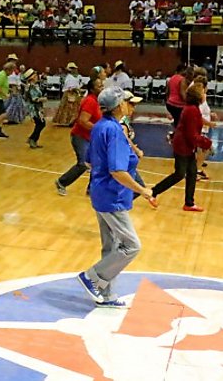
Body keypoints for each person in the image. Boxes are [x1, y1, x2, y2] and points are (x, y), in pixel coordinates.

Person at [77, 87, 157, 308]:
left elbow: (89, 161)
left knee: (111, 246)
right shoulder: (113, 131)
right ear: (119, 105)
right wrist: (142, 190)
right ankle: (92, 277)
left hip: (101, 193)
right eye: (129, 103)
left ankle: (107, 294)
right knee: (131, 245)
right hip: (112, 197)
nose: (132, 106)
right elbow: (117, 170)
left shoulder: (100, 127)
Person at [150, 83, 212, 211]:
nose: (205, 94)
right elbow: (192, 135)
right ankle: (152, 192)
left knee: (192, 172)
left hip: (186, 145)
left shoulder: (192, 108)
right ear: (198, 96)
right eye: (203, 92)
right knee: (179, 174)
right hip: (183, 146)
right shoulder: (191, 110)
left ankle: (189, 203)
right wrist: (207, 143)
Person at [55, 79, 104, 196]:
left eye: (102, 85)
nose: (102, 87)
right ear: (92, 89)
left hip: (91, 138)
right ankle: (62, 182)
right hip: (80, 136)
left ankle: (91, 189)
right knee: (83, 164)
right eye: (99, 86)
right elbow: (82, 121)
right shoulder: (90, 101)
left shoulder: (98, 101)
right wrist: (99, 129)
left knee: (97, 163)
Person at [52, 62, 83, 126]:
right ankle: (68, 121)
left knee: (73, 108)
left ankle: (72, 121)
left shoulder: (76, 77)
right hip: (69, 94)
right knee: (68, 108)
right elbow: (69, 87)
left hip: (75, 94)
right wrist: (75, 89)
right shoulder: (69, 77)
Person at [23, 69, 47, 149]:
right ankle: (33, 139)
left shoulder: (34, 85)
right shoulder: (31, 87)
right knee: (41, 123)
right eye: (35, 75)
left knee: (40, 123)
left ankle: (33, 139)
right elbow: (34, 98)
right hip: (34, 108)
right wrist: (42, 99)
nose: (37, 76)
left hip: (37, 108)